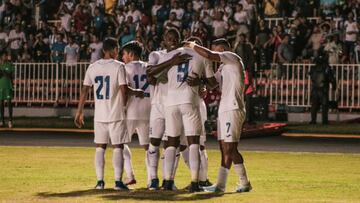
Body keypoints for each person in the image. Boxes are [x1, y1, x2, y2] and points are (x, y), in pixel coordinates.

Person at [148, 28, 217, 192]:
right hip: (189, 101)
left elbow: (150, 73)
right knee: (194, 142)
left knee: (171, 142)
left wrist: (171, 63)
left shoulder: (169, 55)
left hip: (170, 103)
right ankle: (195, 182)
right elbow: (213, 83)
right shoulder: (202, 55)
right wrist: (201, 81)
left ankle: (167, 181)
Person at [74, 38, 143, 190]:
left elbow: (85, 89)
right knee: (118, 147)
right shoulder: (119, 66)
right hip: (116, 113)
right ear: (112, 50)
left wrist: (79, 111)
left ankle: (100, 182)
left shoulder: (93, 67)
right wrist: (124, 106)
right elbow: (124, 89)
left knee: (100, 148)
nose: (118, 52)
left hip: (100, 114)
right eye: (117, 49)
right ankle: (118, 182)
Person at [184, 38, 251, 193]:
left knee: (230, 149)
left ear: (224, 49)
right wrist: (202, 85)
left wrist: (193, 46)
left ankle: (245, 182)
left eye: (217, 49)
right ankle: (220, 185)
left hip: (233, 108)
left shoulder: (233, 58)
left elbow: (208, 55)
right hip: (224, 109)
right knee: (224, 148)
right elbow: (213, 83)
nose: (216, 53)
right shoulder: (223, 67)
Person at [145, 28, 193, 190]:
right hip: (158, 104)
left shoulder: (184, 56)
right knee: (154, 142)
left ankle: (169, 179)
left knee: (173, 143)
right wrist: (170, 64)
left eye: (175, 37)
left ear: (180, 40)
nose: (172, 40)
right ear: (163, 40)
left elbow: (154, 75)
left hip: (174, 105)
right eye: (169, 38)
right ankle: (153, 178)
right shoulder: (157, 55)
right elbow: (150, 75)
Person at [121, 41, 151, 187]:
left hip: (131, 110)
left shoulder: (125, 68)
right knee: (148, 147)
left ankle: (130, 175)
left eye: (125, 54)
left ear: (131, 54)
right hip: (147, 110)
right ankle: (152, 179)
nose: (123, 57)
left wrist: (122, 106)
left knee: (119, 143)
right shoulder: (149, 67)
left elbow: (124, 89)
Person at [309, 48, 337, 125]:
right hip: (323, 89)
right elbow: (331, 78)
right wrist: (334, 86)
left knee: (314, 106)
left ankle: (313, 120)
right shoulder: (327, 68)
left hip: (315, 89)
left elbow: (311, 77)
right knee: (324, 106)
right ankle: (324, 121)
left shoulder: (313, 67)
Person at [0, 52, 14, 128]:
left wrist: (3, 72)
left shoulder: (10, 64)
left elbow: (10, 75)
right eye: (4, 56)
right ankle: (2, 120)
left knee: (9, 104)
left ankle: (10, 121)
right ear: (1, 57)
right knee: (1, 104)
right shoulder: (0, 65)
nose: (5, 57)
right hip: (1, 86)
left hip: (8, 85)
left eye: (6, 56)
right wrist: (3, 72)